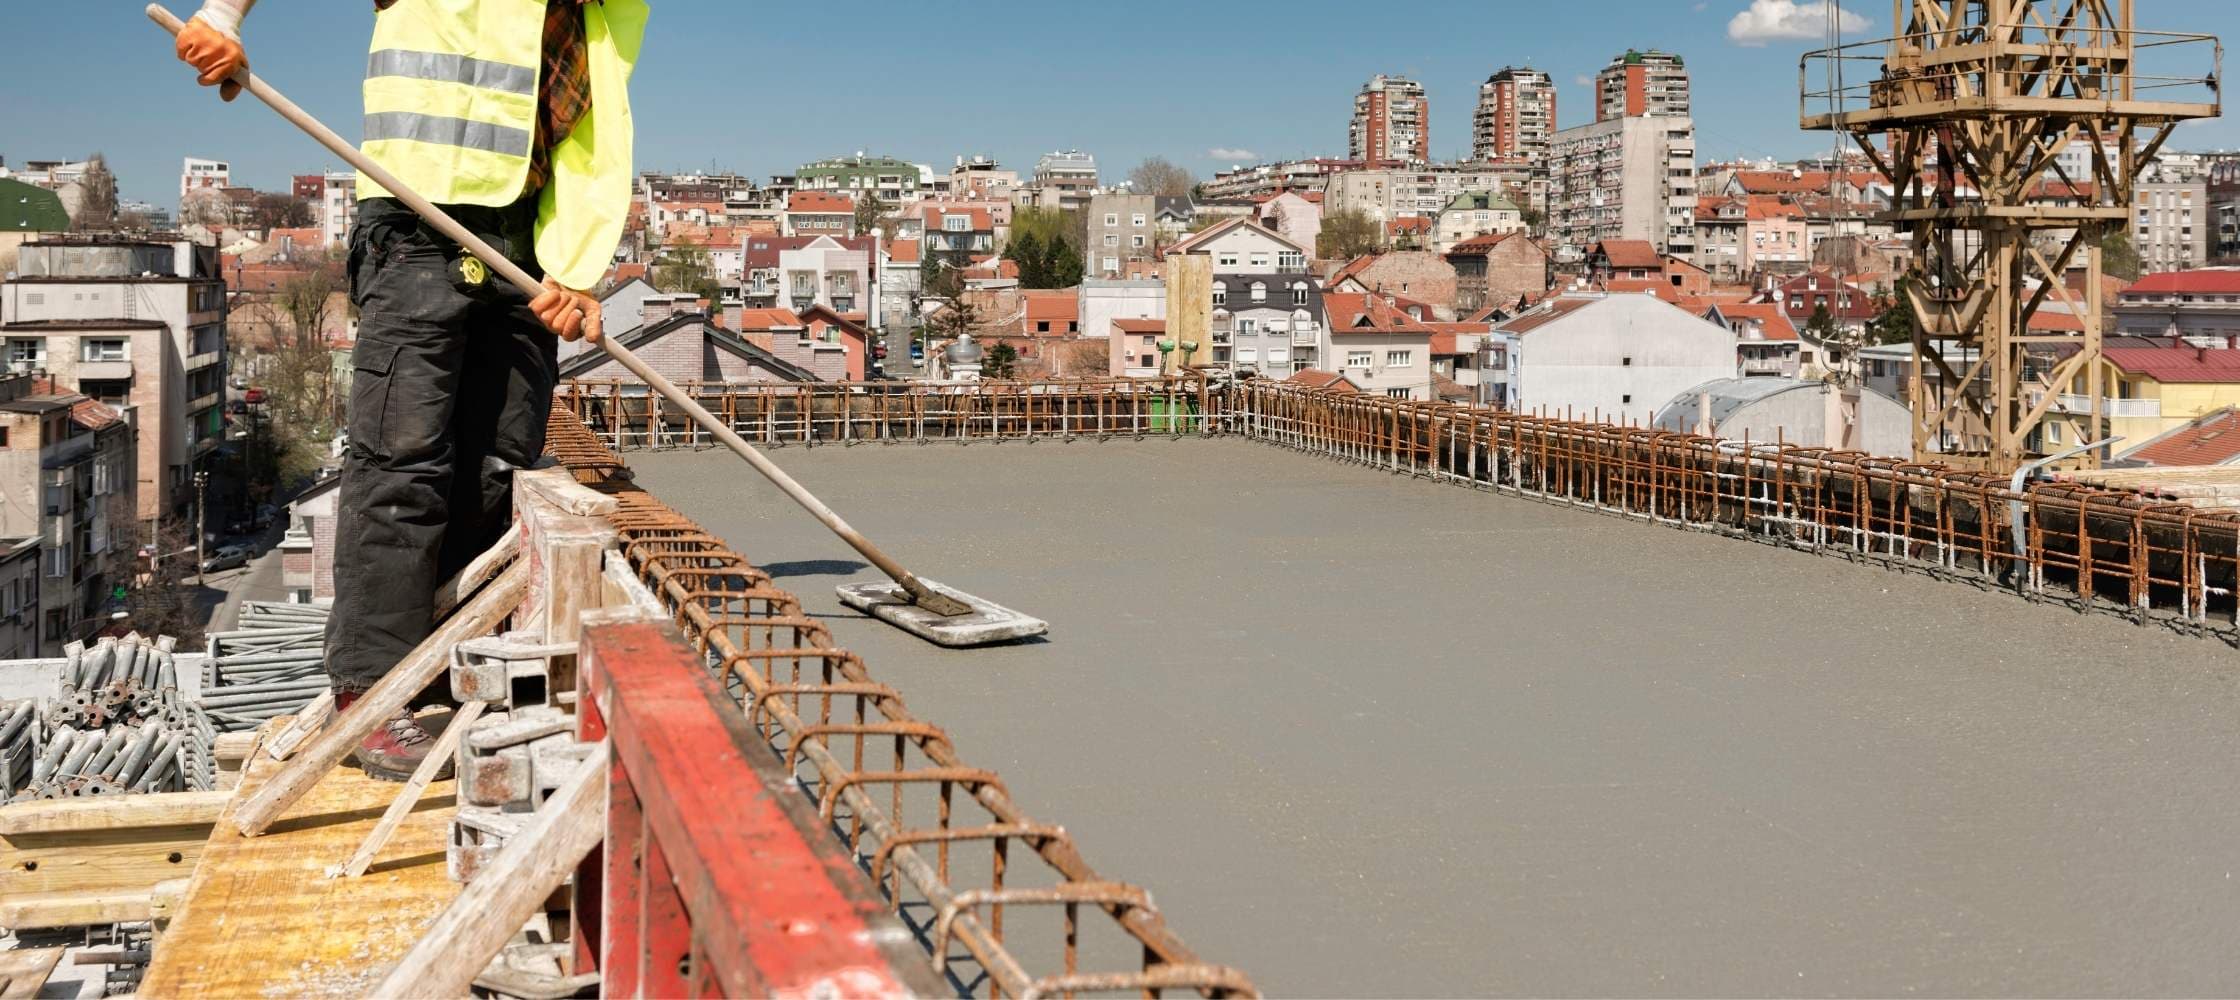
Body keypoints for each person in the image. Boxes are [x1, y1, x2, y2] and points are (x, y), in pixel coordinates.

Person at [176, 0, 647, 779]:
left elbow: (592, 148)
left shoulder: (606, 8)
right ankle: (376, 699)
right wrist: (223, 15)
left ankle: (448, 678)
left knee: (497, 465)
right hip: (416, 225)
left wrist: (579, 272)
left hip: (528, 247)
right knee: (404, 461)